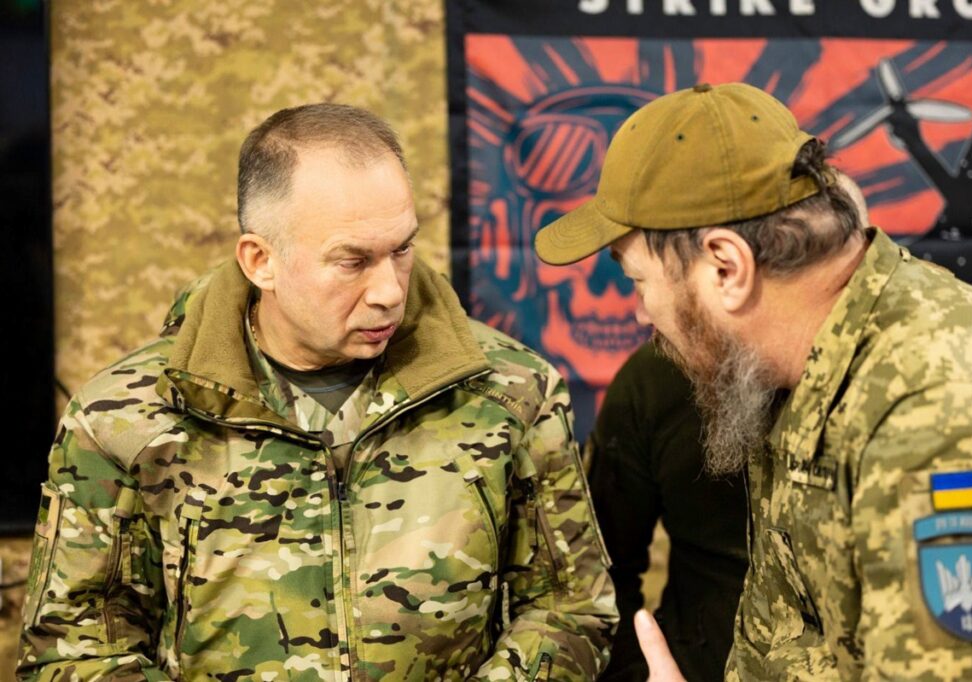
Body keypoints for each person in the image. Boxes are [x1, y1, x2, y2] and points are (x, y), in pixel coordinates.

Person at [18, 103, 617, 680]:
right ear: (261, 261)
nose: (389, 291)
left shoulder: (510, 392)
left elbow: (571, 610)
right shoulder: (124, 418)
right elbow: (73, 648)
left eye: (402, 249)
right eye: (352, 262)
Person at [535, 82, 972, 679]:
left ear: (726, 267)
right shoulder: (794, 367)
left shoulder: (933, 411)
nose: (642, 314)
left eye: (639, 281)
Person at [587, 342, 747, 682]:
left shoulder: (854, 388)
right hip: (691, 663)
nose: (640, 317)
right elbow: (603, 571)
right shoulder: (652, 380)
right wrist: (636, 672)